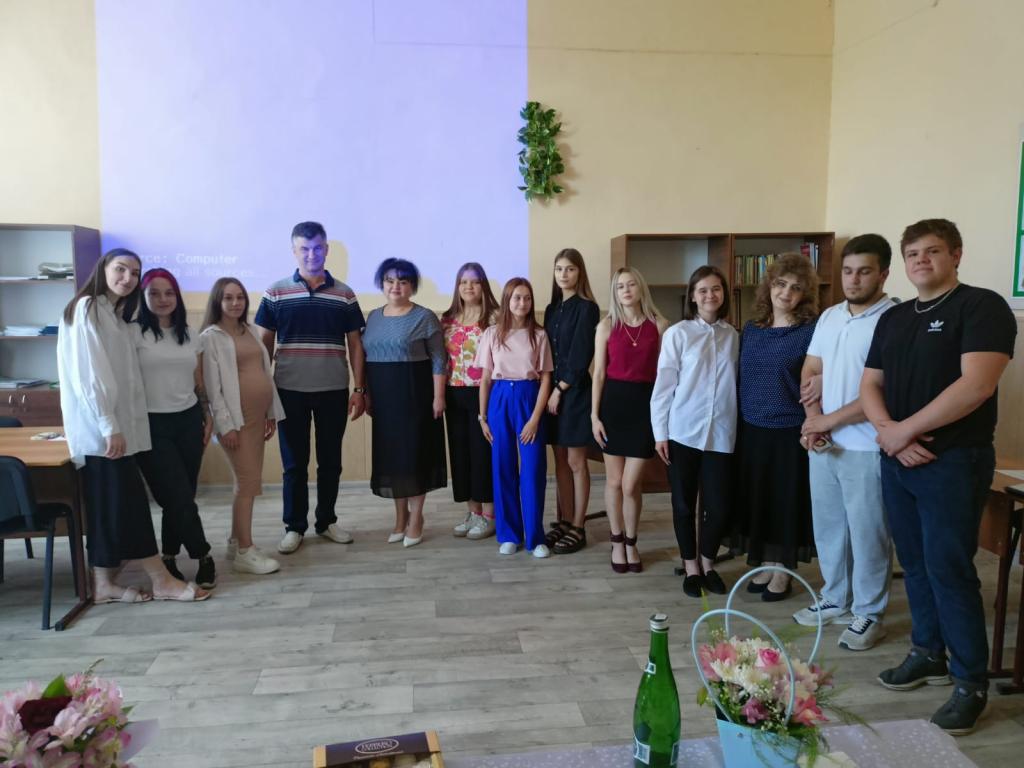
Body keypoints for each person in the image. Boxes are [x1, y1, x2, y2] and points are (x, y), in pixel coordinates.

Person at [862, 219, 1016, 735]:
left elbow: (976, 386)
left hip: (952, 461)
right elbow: (871, 383)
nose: (921, 260)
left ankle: (970, 682)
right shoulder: (895, 317)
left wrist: (902, 431)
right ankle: (928, 652)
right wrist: (889, 433)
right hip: (897, 460)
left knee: (949, 568)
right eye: (913, 253)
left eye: (932, 251)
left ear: (956, 255)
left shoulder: (982, 307)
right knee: (914, 563)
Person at [57, 248, 209, 603]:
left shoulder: (114, 316)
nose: (127, 278)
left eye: (134, 272)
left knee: (108, 508)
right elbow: (90, 375)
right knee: (132, 506)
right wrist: (109, 425)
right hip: (105, 433)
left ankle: (103, 583)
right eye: (120, 269)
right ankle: (160, 579)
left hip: (122, 429)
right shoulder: (88, 308)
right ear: (103, 269)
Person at [794, 235, 896, 650]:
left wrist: (825, 421)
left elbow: (882, 391)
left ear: (883, 274)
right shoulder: (831, 316)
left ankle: (869, 612)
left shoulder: (893, 320)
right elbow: (810, 370)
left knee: (868, 533)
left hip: (867, 445)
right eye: (848, 271)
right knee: (830, 527)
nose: (853, 279)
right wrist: (812, 422)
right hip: (824, 443)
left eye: (864, 271)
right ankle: (836, 596)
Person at [254, 221, 366, 556]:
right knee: (294, 465)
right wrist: (263, 396)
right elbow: (263, 347)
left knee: (330, 462)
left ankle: (326, 521)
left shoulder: (344, 294)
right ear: (294, 251)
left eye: (317, 248)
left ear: (326, 249)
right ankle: (294, 526)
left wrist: (359, 389)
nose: (311, 254)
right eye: (304, 249)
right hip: (288, 391)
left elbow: (356, 345)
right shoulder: (275, 293)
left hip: (333, 389)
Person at [734, 252, 819, 600]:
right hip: (751, 427)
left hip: (788, 430)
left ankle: (783, 570)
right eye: (781, 284)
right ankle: (767, 563)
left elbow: (821, 376)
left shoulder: (810, 332)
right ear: (769, 285)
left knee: (785, 502)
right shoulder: (752, 329)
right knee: (760, 500)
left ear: (804, 294)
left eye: (795, 288)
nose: (786, 293)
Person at [650, 266, 738, 596]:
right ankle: (690, 567)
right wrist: (660, 433)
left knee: (719, 505)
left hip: (721, 433)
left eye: (716, 289)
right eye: (703, 290)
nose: (710, 295)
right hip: (683, 431)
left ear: (724, 294)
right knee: (684, 504)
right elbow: (663, 387)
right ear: (692, 296)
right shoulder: (679, 334)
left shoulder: (733, 336)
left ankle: (708, 562)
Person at [134, 268, 217, 590]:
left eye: (169, 292)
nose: (162, 299)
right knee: (177, 495)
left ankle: (168, 556)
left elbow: (197, 381)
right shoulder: (133, 334)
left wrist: (207, 415)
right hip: (151, 423)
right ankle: (202, 554)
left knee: (180, 496)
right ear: (142, 297)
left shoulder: (190, 334)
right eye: (154, 293)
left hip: (188, 421)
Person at [201, 277, 285, 576]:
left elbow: (263, 372)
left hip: (257, 418)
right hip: (235, 421)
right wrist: (226, 426)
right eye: (228, 298)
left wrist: (270, 413)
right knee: (248, 483)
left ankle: (236, 543)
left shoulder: (248, 329)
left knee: (247, 481)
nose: (235, 303)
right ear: (217, 301)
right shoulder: (211, 337)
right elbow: (212, 388)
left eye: (240, 297)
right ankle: (245, 552)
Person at [361, 258, 447, 547]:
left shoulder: (424, 317)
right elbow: (366, 359)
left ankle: (416, 518)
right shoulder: (373, 317)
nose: (395, 286)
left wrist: (438, 396)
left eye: (402, 281)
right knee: (392, 459)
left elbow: (439, 359)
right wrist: (367, 393)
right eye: (389, 280)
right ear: (382, 284)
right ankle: (399, 517)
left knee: (414, 458)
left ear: (412, 286)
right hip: (383, 400)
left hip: (414, 396)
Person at [592, 267, 668, 574]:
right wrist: (594, 416)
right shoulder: (606, 326)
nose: (625, 290)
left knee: (630, 483)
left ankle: (632, 541)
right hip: (612, 407)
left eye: (631, 284)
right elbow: (598, 374)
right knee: (614, 482)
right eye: (620, 286)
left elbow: (665, 375)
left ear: (641, 288)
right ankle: (617, 541)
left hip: (645, 409)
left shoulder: (660, 325)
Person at [476, 278, 554, 558]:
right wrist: (483, 417)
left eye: (527, 298)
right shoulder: (492, 333)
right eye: (517, 298)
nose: (522, 303)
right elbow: (485, 379)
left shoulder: (539, 335)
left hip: (528, 398)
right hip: (499, 399)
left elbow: (546, 379)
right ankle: (509, 534)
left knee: (532, 470)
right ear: (507, 301)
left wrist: (535, 419)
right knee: (503, 468)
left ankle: (535, 537)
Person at [543, 248, 600, 555]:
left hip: (574, 393)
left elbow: (580, 355)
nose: (563, 274)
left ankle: (579, 526)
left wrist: (559, 389)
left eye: (570, 269)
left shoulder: (587, 308)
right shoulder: (552, 309)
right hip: (551, 393)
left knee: (577, 462)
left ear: (580, 273)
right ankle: (565, 520)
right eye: (559, 269)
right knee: (561, 462)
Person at [441, 262, 499, 540]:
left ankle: (490, 515)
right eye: (463, 282)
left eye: (474, 281)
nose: (468, 286)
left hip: (484, 393)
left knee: (482, 453)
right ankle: (473, 512)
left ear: (483, 285)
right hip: (454, 393)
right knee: (460, 453)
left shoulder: (495, 318)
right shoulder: (447, 319)